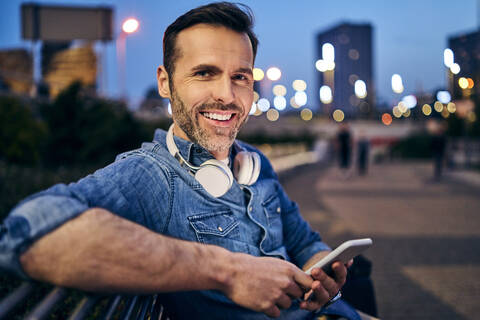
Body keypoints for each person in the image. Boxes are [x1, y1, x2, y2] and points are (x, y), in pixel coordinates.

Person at [0, 3, 364, 319]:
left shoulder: (255, 163)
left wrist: (321, 267)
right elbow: (26, 232)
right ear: (165, 82)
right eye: (204, 73)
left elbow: (304, 242)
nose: (226, 95)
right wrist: (229, 272)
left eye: (240, 77)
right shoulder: (151, 175)